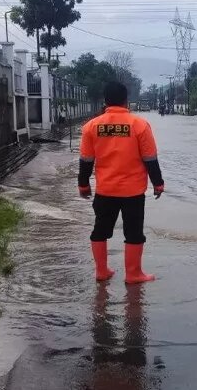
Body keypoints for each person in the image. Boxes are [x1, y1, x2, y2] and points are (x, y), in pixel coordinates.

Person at [78, 82, 164, 284]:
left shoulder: (91, 127)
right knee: (134, 232)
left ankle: (101, 271)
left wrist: (83, 185)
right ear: (126, 100)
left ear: (105, 101)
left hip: (105, 190)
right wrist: (158, 184)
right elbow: (150, 159)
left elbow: (86, 160)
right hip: (133, 192)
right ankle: (133, 274)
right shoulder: (139, 125)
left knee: (100, 229)